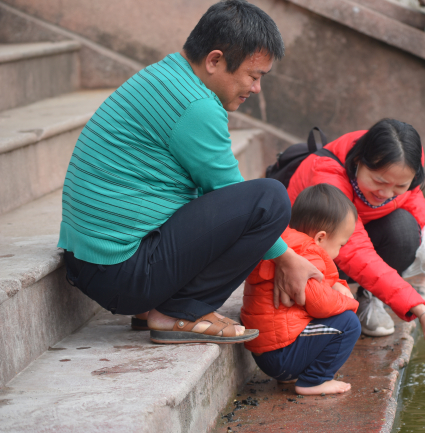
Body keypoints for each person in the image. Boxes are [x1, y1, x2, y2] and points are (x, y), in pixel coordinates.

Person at [58, 0, 322, 344]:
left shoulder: (167, 75)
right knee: (269, 200)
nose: (256, 88)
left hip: (91, 264)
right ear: (214, 60)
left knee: (245, 200)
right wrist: (288, 259)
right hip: (119, 272)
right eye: (253, 76)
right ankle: (178, 312)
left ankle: (163, 304)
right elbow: (231, 195)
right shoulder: (196, 106)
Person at [287, 119, 425, 361]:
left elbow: (413, 195)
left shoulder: (406, 161)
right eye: (378, 182)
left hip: (352, 242)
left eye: (399, 185)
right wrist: (420, 308)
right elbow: (354, 251)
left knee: (406, 230)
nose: (386, 194)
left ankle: (369, 295)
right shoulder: (328, 177)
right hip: (317, 258)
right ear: (357, 162)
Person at [240, 184, 361, 395]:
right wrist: (350, 301)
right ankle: (314, 380)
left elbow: (325, 282)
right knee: (348, 324)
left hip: (270, 351)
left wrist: (337, 286)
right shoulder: (307, 255)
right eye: (341, 244)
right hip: (280, 354)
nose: (340, 252)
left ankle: (300, 373)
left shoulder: (288, 243)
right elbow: (321, 304)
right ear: (321, 238)